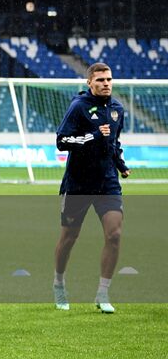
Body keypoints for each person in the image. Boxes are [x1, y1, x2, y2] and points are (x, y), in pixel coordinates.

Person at [52, 63, 130, 313]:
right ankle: (59, 283)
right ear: (89, 83)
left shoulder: (117, 109)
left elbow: (114, 143)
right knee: (69, 237)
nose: (106, 83)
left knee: (114, 234)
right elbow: (62, 141)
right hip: (78, 182)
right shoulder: (78, 107)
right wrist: (94, 135)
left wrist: (120, 164)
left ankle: (103, 293)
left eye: (109, 79)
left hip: (107, 182)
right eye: (100, 80)